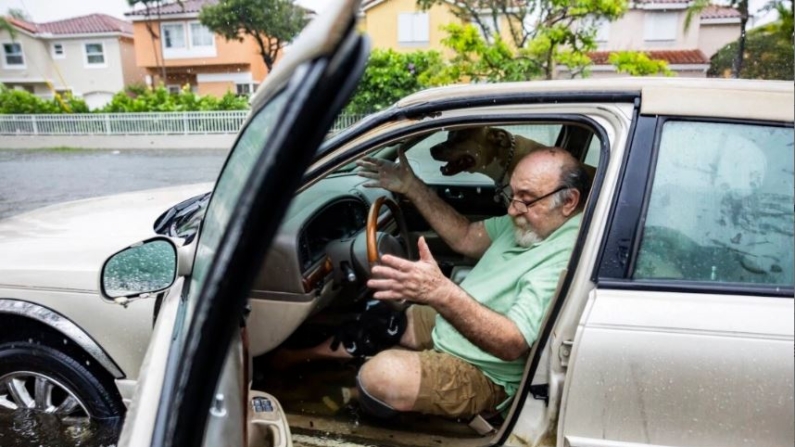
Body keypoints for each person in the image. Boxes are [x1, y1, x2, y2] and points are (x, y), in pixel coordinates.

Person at [279, 145, 589, 420]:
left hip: (486, 372)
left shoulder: (567, 252)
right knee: (384, 317)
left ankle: (356, 400)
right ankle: (302, 356)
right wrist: (412, 186)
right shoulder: (532, 222)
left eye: (526, 200)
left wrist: (441, 293)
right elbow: (467, 237)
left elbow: (511, 343)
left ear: (568, 201)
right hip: (461, 327)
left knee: (379, 376)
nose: (511, 209)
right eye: (512, 195)